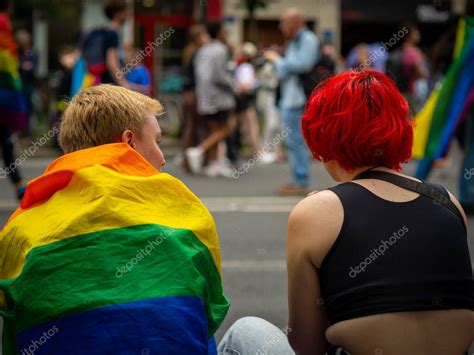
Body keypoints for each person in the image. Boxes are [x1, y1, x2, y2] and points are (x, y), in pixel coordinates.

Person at [218, 70, 474, 354]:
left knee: (244, 331)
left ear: (324, 136)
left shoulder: (317, 212)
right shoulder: (449, 202)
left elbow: (307, 344)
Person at [0, 84, 229, 354]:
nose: (163, 159)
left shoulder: (18, 230)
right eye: (157, 141)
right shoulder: (183, 207)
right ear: (128, 141)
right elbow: (212, 311)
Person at [264, 7, 319, 195]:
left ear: (296, 22)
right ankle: (298, 179)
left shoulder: (308, 39)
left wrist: (277, 60)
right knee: (292, 141)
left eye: (284, 22)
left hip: (297, 99)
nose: (281, 27)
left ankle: (301, 181)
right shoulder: (295, 41)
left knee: (295, 141)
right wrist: (283, 65)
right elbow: (286, 70)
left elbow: (303, 65)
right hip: (289, 98)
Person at [186, 21, 235, 178]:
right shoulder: (220, 50)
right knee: (226, 129)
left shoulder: (202, 50)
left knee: (215, 130)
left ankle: (214, 164)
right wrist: (235, 85)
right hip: (219, 97)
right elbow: (221, 76)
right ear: (219, 32)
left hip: (204, 97)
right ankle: (199, 150)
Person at [0, 0, 27, 200]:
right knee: (6, 143)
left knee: (6, 142)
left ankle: (19, 185)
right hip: (4, 96)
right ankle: (18, 185)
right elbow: (8, 66)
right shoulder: (3, 23)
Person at [181, 25, 210, 172]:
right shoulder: (199, 53)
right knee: (197, 126)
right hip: (194, 93)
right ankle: (195, 160)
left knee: (190, 126)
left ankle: (187, 159)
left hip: (187, 93)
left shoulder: (188, 51)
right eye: (203, 35)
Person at [80, 0, 129, 87]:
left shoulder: (101, 32)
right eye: (125, 11)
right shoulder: (112, 34)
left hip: (98, 81)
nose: (127, 14)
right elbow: (112, 62)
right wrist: (124, 84)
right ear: (118, 13)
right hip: (109, 84)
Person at [16, 29, 37, 134]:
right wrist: (23, 66)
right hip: (18, 84)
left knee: (29, 107)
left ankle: (27, 129)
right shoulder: (17, 52)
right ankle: (19, 128)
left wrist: (24, 66)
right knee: (19, 106)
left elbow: (32, 67)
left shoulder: (32, 53)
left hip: (29, 84)